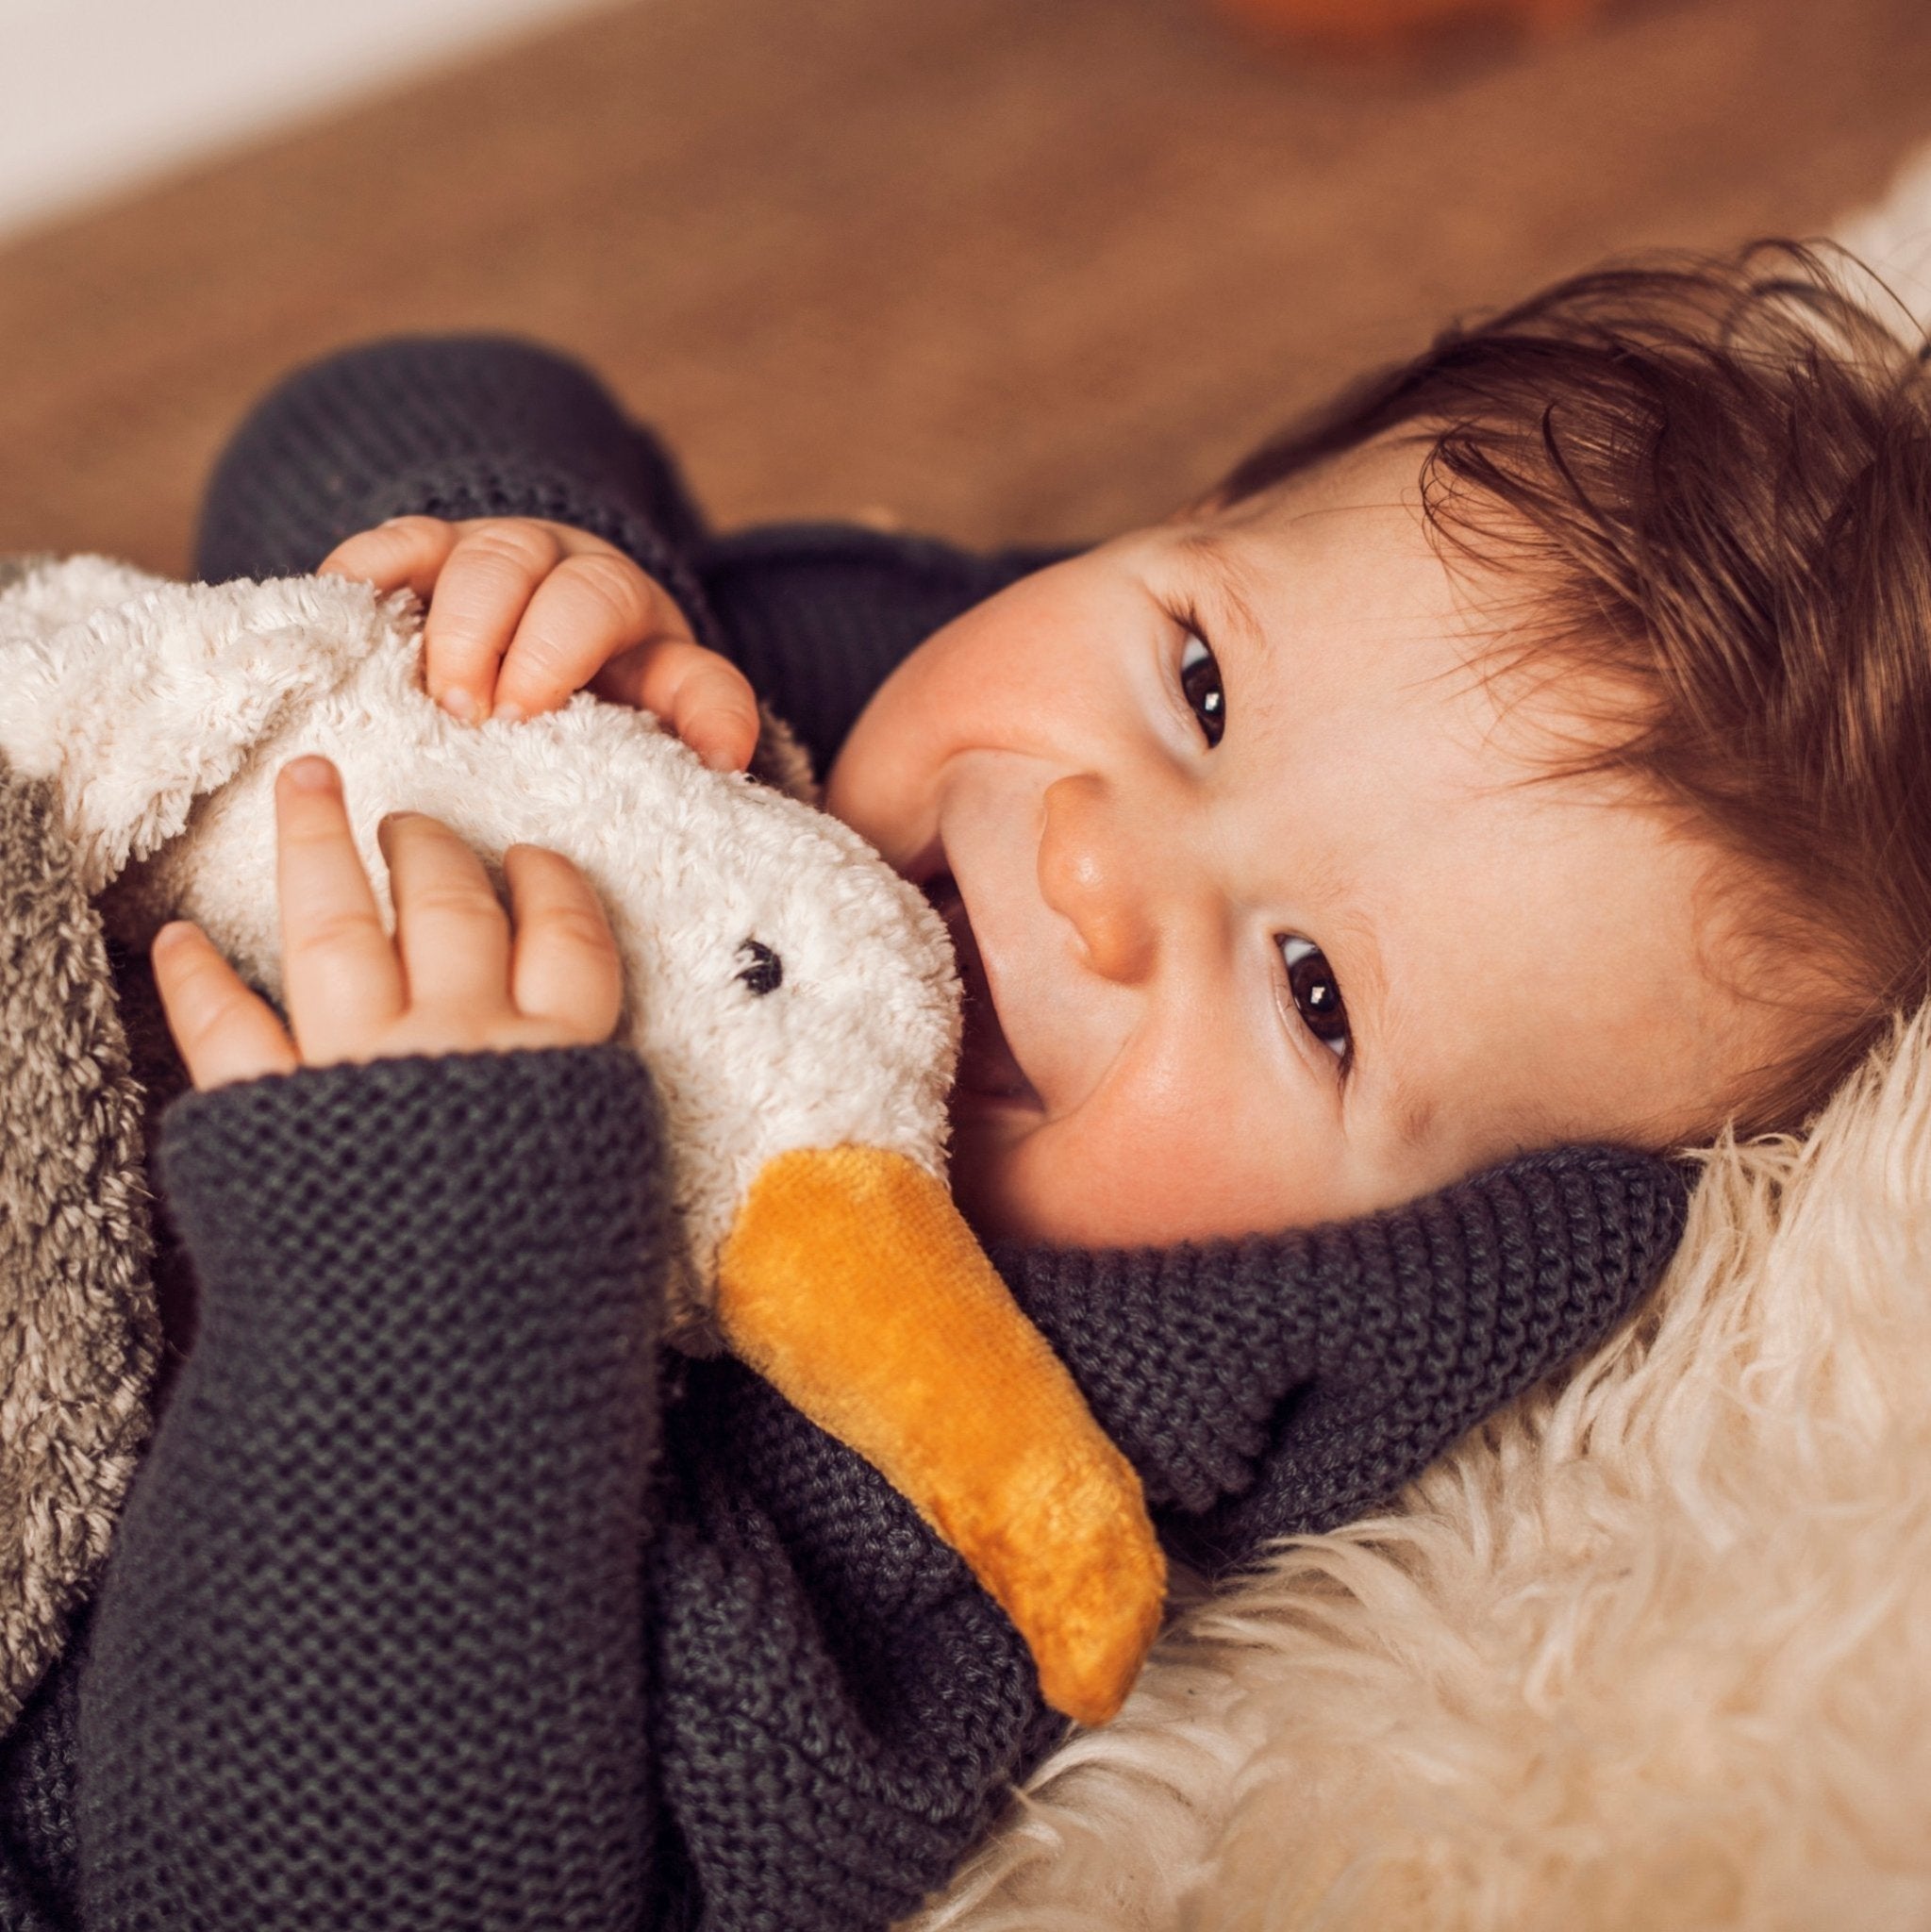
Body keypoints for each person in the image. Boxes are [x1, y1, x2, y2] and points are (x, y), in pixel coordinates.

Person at [1, 240, 1913, 1930]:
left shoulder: (937, 1527)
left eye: (1314, 991)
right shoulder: (776, 708)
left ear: (1417, 1244)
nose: (1094, 859)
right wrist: (506, 550)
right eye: (1199, 685)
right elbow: (402, 383)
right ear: (1181, 520)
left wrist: (420, 1283)